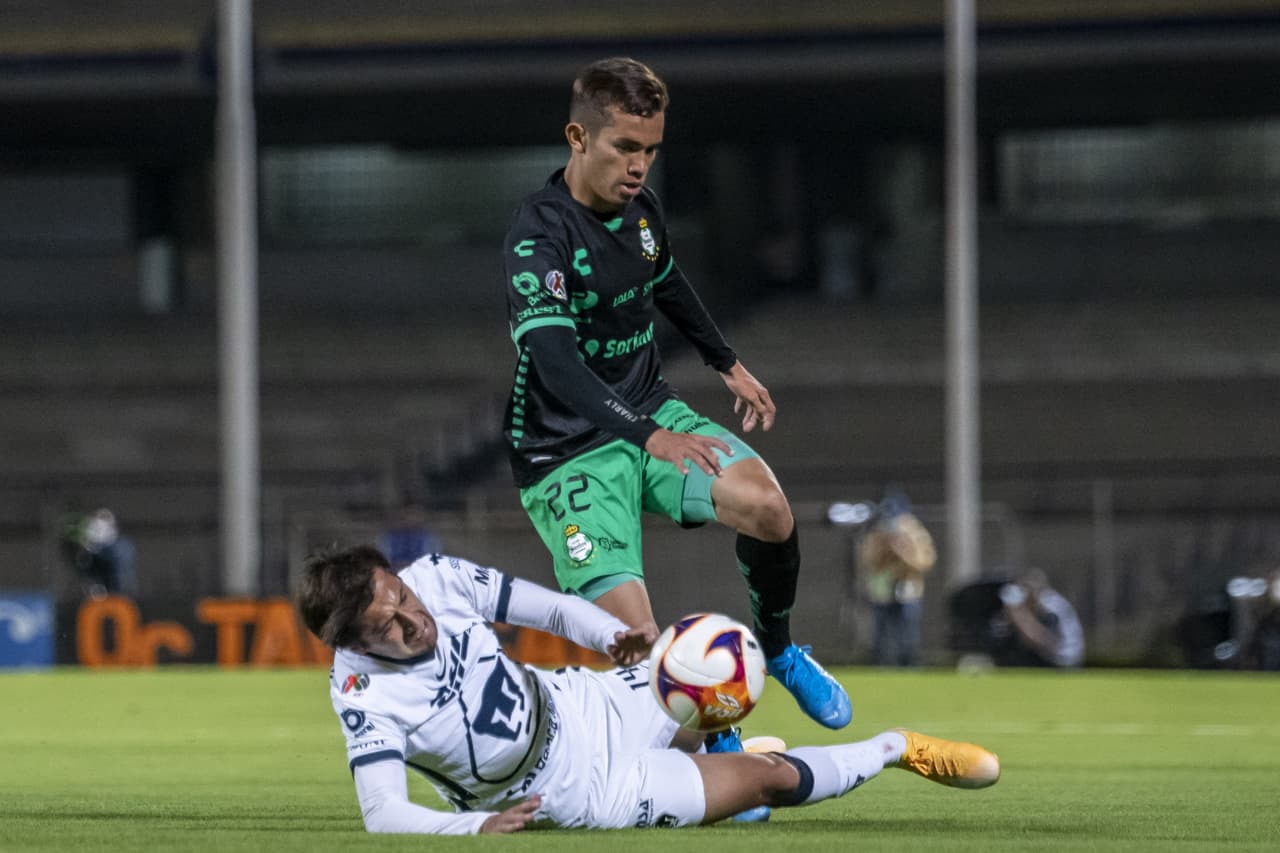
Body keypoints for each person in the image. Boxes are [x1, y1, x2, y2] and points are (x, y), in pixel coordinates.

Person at [499, 56, 850, 749]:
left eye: (651, 150)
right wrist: (649, 436)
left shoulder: (642, 211)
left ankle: (777, 649)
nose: (639, 167)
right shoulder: (539, 236)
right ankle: (716, 747)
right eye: (624, 147)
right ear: (577, 138)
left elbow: (668, 281)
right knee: (638, 646)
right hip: (565, 450)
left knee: (769, 507)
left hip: (647, 410)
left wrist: (727, 362)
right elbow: (556, 364)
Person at [295, 544, 1001, 835]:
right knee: (773, 780)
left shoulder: (436, 576)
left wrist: (610, 637)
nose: (410, 618)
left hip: (582, 702)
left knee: (704, 654)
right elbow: (383, 811)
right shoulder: (363, 694)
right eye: (385, 624)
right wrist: (475, 824)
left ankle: (719, 729)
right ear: (355, 643)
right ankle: (894, 747)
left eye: (400, 596)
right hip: (579, 792)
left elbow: (546, 606)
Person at [857, 495, 936, 667]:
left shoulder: (916, 534)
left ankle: (910, 667)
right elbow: (869, 563)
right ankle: (882, 668)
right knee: (882, 636)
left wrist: (904, 552)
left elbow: (924, 562)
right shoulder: (876, 535)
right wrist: (886, 549)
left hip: (907, 593)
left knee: (908, 636)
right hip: (882, 593)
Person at [992, 569, 1085, 668]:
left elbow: (1044, 640)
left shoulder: (1050, 606)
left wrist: (1018, 615)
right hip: (1058, 655)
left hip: (1063, 659)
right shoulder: (1047, 602)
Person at [59, 508, 137, 599]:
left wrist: (96, 548)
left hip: (121, 596)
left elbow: (117, 564)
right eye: (95, 528)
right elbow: (85, 571)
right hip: (97, 599)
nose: (97, 532)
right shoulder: (91, 551)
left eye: (101, 528)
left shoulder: (122, 545)